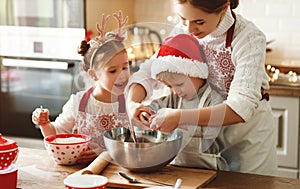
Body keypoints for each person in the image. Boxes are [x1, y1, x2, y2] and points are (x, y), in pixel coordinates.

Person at [126, 0, 277, 175]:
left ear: (224, 7)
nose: (189, 29)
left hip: (245, 135)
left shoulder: (248, 38)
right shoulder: (184, 29)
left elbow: (240, 107)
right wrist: (132, 103)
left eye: (199, 22)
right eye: (183, 18)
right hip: (205, 131)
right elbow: (149, 70)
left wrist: (179, 117)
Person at [32, 11, 130, 164]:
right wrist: (45, 124)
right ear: (94, 75)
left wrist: (104, 154)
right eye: (112, 71)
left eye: (125, 67)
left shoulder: (131, 104)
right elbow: (57, 135)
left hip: (119, 176)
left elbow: (136, 147)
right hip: (81, 176)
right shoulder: (78, 103)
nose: (122, 75)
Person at [142, 33, 228, 170]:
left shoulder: (213, 99)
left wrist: (178, 120)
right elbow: (156, 106)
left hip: (210, 170)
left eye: (179, 84)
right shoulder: (175, 98)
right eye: (169, 86)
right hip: (179, 168)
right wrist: (146, 113)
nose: (176, 91)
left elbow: (212, 131)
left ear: (197, 73)